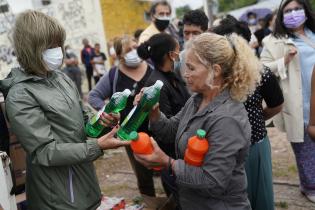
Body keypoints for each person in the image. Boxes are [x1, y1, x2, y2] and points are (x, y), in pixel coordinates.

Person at [0, 10, 129, 210]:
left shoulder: (60, 78)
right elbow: (45, 151)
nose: (58, 50)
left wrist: (103, 120)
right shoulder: (20, 95)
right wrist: (97, 146)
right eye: (50, 46)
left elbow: (84, 117)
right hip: (56, 198)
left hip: (84, 182)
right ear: (31, 48)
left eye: (59, 43)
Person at [134, 32, 261, 210]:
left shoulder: (227, 119)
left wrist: (168, 163)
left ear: (215, 71)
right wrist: (153, 112)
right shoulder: (197, 100)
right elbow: (170, 130)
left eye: (192, 68)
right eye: (186, 67)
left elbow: (213, 180)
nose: (185, 74)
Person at [212, 15, 284, 210]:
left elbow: (277, 104)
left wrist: (258, 118)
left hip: (254, 146)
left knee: (257, 196)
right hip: (221, 149)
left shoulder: (260, 73)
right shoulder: (214, 76)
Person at [88, 35, 156, 204]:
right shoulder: (113, 74)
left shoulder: (152, 67)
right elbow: (94, 96)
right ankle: (149, 203)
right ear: (119, 56)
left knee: (167, 171)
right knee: (144, 176)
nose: (134, 52)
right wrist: (107, 112)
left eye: (135, 47)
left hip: (158, 129)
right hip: (130, 134)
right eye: (128, 50)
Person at [260, 0, 315, 203]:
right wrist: (283, 61)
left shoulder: (312, 34)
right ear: (281, 17)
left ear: (306, 11)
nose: (293, 14)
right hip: (299, 102)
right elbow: (262, 69)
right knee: (305, 149)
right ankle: (309, 186)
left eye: (297, 9)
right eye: (288, 11)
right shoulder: (273, 41)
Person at [137, 33, 191, 208]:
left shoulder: (173, 76)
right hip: (172, 159)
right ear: (170, 55)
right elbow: (164, 131)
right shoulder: (156, 86)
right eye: (178, 49)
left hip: (185, 155)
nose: (180, 52)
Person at [176, 9, 209, 81]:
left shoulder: (215, 56)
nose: (190, 38)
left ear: (206, 33)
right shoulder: (179, 60)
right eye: (186, 33)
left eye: (195, 33)